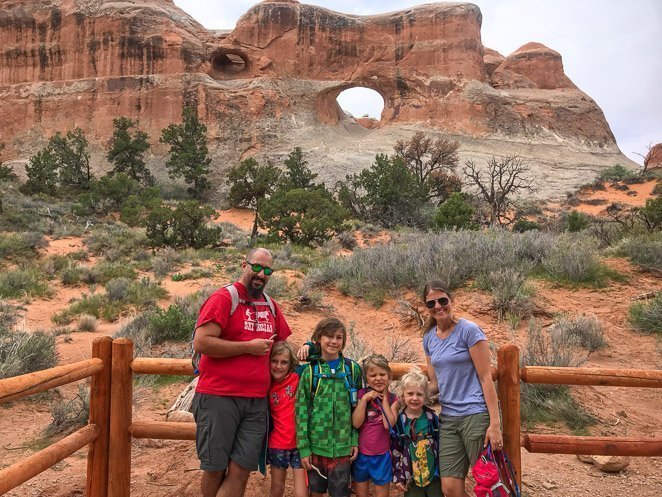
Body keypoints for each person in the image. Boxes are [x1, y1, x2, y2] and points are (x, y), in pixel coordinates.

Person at [191, 248, 292, 497]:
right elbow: (202, 342)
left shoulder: (270, 305)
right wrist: (247, 347)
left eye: (268, 270)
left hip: (257, 402)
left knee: (242, 468)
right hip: (219, 397)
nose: (261, 274)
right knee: (215, 468)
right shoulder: (225, 298)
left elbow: (284, 345)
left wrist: (311, 350)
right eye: (257, 267)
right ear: (244, 265)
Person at [421, 281, 502, 497]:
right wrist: (409, 395)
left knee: (486, 481)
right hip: (448, 418)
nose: (438, 306)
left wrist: (495, 424)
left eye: (442, 300)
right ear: (426, 307)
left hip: (475, 414)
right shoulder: (429, 338)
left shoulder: (469, 331)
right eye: (431, 303)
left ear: (451, 300)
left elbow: (486, 378)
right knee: (450, 487)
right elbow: (435, 384)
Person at [295, 317, 363, 497]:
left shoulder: (352, 369)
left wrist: (354, 439)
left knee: (340, 493)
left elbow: (357, 409)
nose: (334, 341)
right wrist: (304, 447)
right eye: (329, 336)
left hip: (343, 447)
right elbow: (301, 411)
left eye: (339, 337)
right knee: (316, 492)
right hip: (316, 447)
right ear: (318, 338)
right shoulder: (311, 371)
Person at [351, 354, 399, 497]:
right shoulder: (361, 395)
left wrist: (384, 400)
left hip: (382, 456)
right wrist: (364, 400)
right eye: (373, 375)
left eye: (382, 374)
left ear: (389, 376)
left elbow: (387, 424)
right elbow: (356, 423)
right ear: (366, 378)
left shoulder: (393, 399)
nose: (378, 378)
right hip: (362, 455)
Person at [391, 368, 441, 497]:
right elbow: (396, 450)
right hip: (410, 475)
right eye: (410, 394)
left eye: (419, 394)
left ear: (426, 396)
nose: (414, 398)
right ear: (402, 395)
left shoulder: (431, 418)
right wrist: (398, 476)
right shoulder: (400, 422)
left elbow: (441, 442)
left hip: (434, 474)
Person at [267, 341, 307, 497]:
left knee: (301, 491)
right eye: (274, 361)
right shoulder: (266, 383)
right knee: (277, 487)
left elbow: (317, 357)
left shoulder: (297, 376)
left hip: (299, 443)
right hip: (277, 444)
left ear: (291, 364)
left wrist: (306, 346)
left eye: (284, 362)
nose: (278, 366)